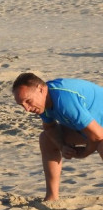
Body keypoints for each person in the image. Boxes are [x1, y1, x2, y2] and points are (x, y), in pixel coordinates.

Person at [12, 72, 103, 201]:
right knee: (46, 139)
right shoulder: (43, 102)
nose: (26, 109)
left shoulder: (64, 99)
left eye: (28, 101)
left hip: (98, 131)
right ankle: (51, 198)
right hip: (92, 129)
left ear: (41, 89)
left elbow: (98, 136)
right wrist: (62, 146)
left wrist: (84, 153)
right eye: (21, 105)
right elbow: (50, 127)